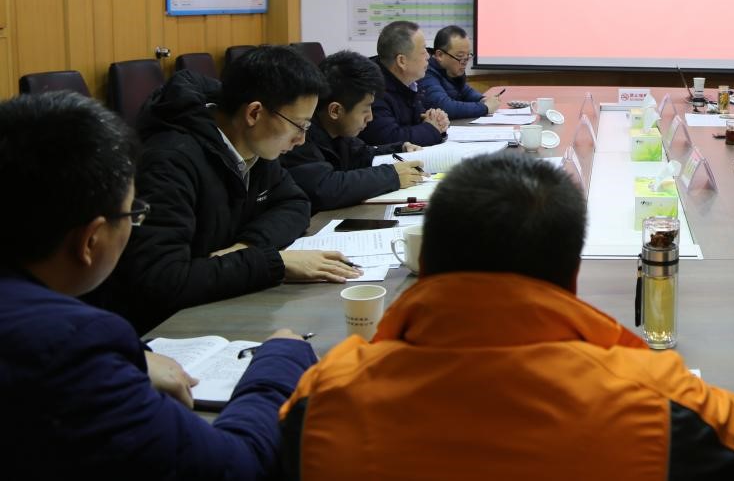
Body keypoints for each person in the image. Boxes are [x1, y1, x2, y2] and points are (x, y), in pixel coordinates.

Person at [279, 152, 734, 479]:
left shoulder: (326, 398)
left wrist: (278, 358)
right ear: (572, 275)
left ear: (422, 261)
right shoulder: (660, 402)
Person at [0, 91, 317, 479]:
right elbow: (237, 465)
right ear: (90, 240)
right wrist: (280, 360)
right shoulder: (72, 350)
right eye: (133, 215)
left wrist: (132, 356)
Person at [92, 45, 361, 334]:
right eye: (299, 125)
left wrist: (247, 248)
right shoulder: (169, 162)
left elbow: (295, 203)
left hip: (216, 304)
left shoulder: (254, 147)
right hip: (165, 330)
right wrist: (273, 262)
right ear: (254, 113)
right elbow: (162, 279)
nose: (302, 139)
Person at [282, 50, 426, 211]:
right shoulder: (299, 136)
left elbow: (361, 154)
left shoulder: (338, 133)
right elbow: (324, 188)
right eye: (365, 109)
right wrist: (392, 176)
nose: (370, 117)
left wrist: (400, 148)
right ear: (335, 111)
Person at [361, 20, 450, 147]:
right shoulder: (372, 89)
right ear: (402, 61)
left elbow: (416, 122)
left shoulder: (408, 82)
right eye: (423, 51)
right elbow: (390, 138)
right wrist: (432, 128)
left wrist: (436, 120)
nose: (428, 56)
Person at [419, 24, 501, 119]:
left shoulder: (452, 69)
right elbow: (445, 107)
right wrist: (485, 108)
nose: (465, 62)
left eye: (468, 56)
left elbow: (465, 91)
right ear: (440, 55)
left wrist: (482, 99)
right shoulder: (425, 72)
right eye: (460, 56)